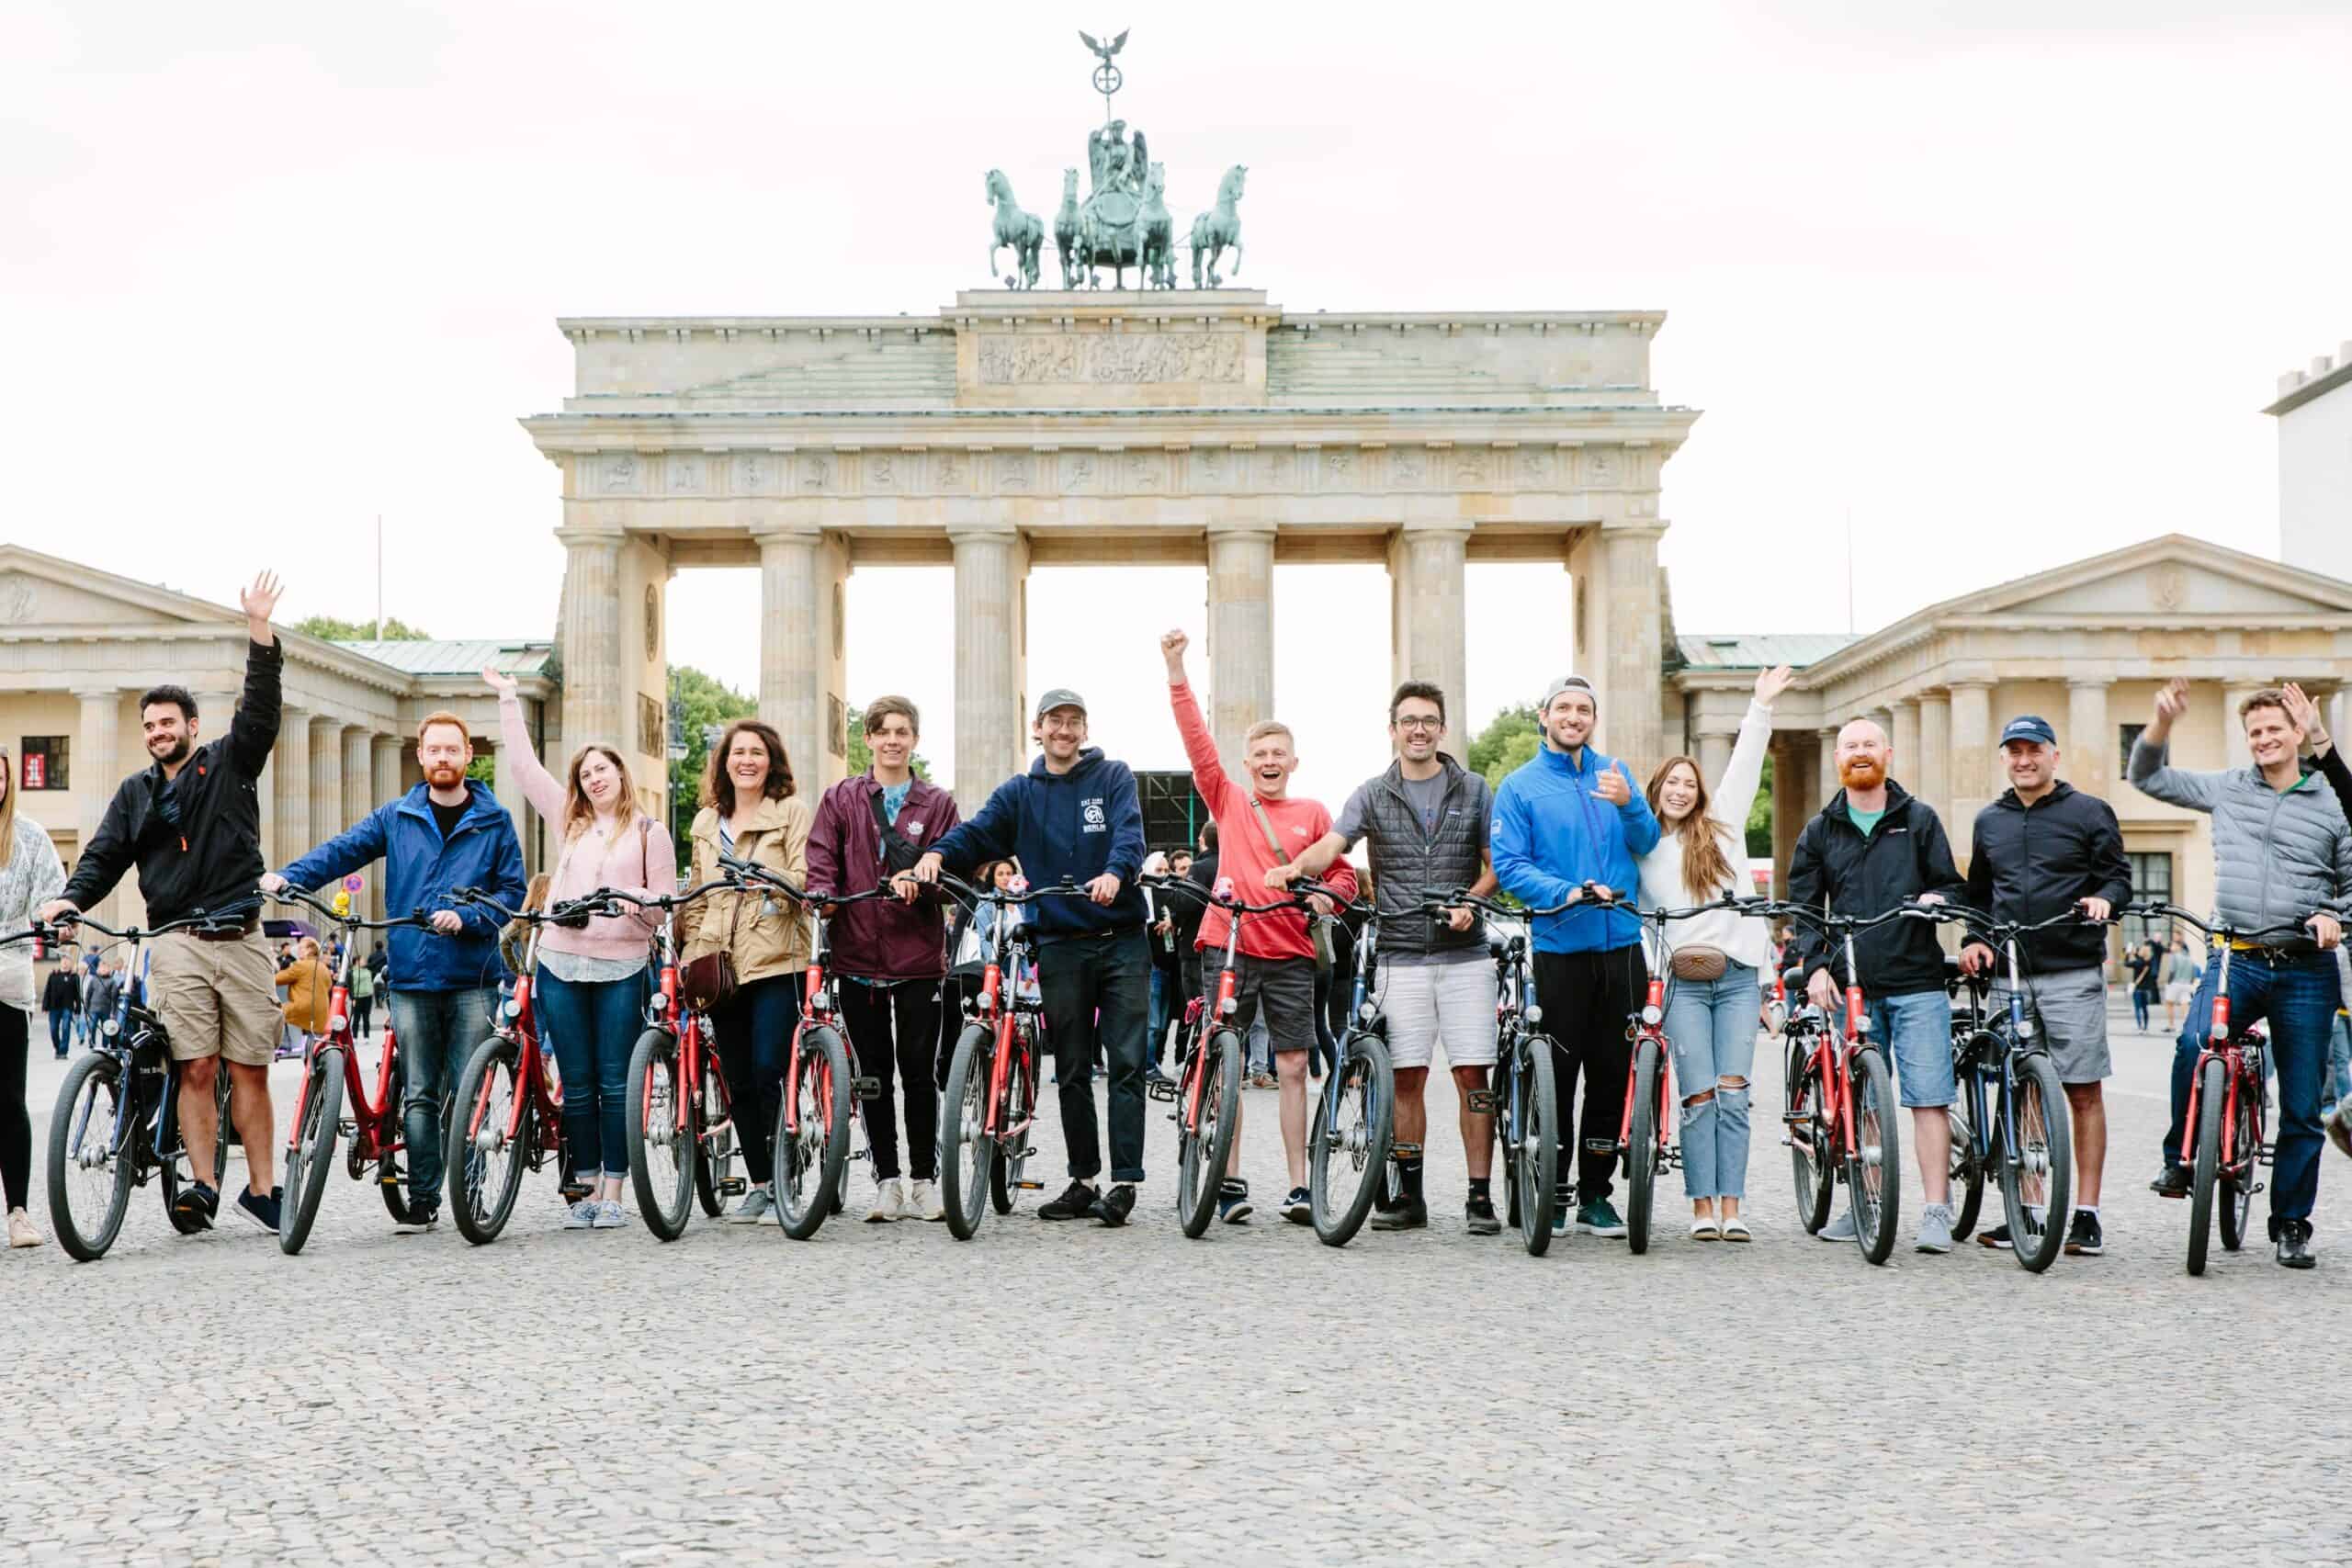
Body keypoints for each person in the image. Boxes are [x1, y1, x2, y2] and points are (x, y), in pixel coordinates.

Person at [42, 572, 288, 1234]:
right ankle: (203, 1185)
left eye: (167, 722)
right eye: (149, 725)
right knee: (197, 1065)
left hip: (240, 935)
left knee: (250, 1068)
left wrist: (259, 633)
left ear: (191, 726)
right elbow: (102, 855)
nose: (156, 732)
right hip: (176, 938)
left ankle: (263, 1188)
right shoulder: (136, 793)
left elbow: (261, 713)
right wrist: (69, 898)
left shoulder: (230, 764)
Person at [268, 698, 530, 1235]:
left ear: (468, 755)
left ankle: (472, 1191)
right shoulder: (397, 815)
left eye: (451, 749)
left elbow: (512, 892)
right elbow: (344, 850)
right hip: (412, 974)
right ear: (420, 755)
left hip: (472, 977)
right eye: (433, 749)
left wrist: (466, 916)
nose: (442, 757)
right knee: (419, 1091)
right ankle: (425, 1196)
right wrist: (290, 877)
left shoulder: (494, 820)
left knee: (467, 1089)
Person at [900, 685, 1150, 1227]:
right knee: (1074, 1068)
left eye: (1074, 722)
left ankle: (1125, 1181)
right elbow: (978, 833)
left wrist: (1114, 873)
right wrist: (937, 854)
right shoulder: (1020, 792)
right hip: (1058, 941)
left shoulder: (1113, 777)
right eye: (1054, 721)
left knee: (1127, 1063)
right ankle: (1083, 1178)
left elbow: (1129, 836)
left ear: (1085, 729)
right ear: (1036, 728)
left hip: (1121, 938)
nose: (1064, 730)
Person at [2130, 680, 2348, 1269]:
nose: (2265, 739)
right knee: (2194, 1042)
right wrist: (2160, 725)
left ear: (2297, 733)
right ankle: (2181, 1155)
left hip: (2306, 968)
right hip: (2236, 957)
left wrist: (2335, 916)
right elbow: (2147, 779)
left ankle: (2291, 1224)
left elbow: (2351, 882)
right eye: (2255, 732)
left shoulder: (2331, 799)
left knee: (2303, 1104)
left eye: (2275, 729)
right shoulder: (2228, 789)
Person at [1275, 679, 1500, 1234]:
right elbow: (1335, 843)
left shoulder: (1474, 789)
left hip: (1466, 954)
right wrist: (1297, 868)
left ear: (1442, 729)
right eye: (1409, 721)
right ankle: (1410, 1196)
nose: (1419, 729)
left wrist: (1471, 901)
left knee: (1474, 1075)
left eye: (1428, 720)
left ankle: (1479, 1196)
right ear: (1393, 729)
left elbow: (1497, 862)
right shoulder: (1373, 793)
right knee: (1407, 1079)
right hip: (1401, 953)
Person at [1160, 631, 1358, 1226]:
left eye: (1280, 754)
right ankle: (1229, 1176)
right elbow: (1197, 741)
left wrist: (1327, 900)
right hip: (1228, 942)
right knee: (1227, 1056)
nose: (1270, 762)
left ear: (1293, 761)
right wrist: (1176, 670)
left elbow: (1345, 877)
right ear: (1248, 765)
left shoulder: (1315, 814)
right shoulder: (1228, 799)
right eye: (1261, 755)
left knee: (1294, 1064)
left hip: (1291, 950)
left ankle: (1299, 1185)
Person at [1787, 715, 1968, 1253]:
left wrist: (1938, 902)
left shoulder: (1919, 820)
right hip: (1852, 986)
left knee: (1929, 1098)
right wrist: (1816, 966)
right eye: (1850, 746)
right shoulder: (1820, 830)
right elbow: (1804, 908)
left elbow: (1950, 886)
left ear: (1887, 753)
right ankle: (1864, 1204)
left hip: (1917, 981)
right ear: (1838, 759)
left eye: (1869, 744)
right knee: (1862, 1102)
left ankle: (1937, 1211)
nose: (1859, 753)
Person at [1490, 673, 1662, 1240]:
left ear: (1593, 718)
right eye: (1563, 707)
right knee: (1559, 1075)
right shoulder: (1519, 786)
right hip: (1560, 945)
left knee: (1614, 1074)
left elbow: (1648, 842)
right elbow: (1510, 864)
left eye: (1583, 709)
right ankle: (1554, 1192)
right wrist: (1561, 890)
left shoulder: (1615, 774)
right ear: (1544, 716)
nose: (1573, 717)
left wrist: (1631, 803)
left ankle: (1597, 1195)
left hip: (1621, 945)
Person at [1958, 714, 2133, 1258]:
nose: (2023, 760)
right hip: (2009, 974)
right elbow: (1979, 895)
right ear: (2005, 758)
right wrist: (1972, 936)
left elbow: (2118, 875)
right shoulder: (1989, 820)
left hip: (2072, 969)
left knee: (2082, 1091)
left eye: (2033, 750)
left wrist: (2107, 899)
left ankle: (2086, 1214)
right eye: (2013, 751)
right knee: (2021, 1091)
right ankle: (2029, 1210)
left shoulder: (2087, 812)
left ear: (2054, 755)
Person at [1634, 665, 1791, 1242]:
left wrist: (1761, 707)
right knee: (1697, 1093)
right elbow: (1640, 918)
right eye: (1670, 783)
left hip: (1736, 978)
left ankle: (1733, 1207)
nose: (1680, 790)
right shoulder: (1644, 848)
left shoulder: (1720, 827)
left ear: (1699, 793)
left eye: (1688, 784)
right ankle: (1701, 1207)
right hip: (1681, 982)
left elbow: (1747, 762)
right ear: (1657, 791)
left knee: (1734, 1092)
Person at [811, 695, 962, 1224]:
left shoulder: (937, 802)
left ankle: (925, 1180)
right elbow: (821, 859)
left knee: (918, 1073)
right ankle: (887, 1182)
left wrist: (926, 882)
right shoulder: (841, 798)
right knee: (872, 1074)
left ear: (915, 740)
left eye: (903, 731)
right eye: (884, 731)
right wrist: (823, 896)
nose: (893, 740)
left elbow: (955, 869)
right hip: (858, 953)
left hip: (918, 958)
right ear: (868, 738)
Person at [679, 718, 811, 1226]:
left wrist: (763, 879)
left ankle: (786, 1172)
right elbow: (695, 893)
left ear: (771, 761)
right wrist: (692, 951)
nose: (747, 761)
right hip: (719, 962)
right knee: (736, 1078)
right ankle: (760, 1183)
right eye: (738, 753)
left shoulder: (791, 813)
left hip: (776, 956)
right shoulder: (706, 824)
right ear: (725, 761)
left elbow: (803, 878)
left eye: (757, 753)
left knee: (767, 1069)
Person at [2, 749, 66, 1247]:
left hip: (8, 972)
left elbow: (51, 892)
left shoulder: (27, 836)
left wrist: (55, 918)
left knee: (9, 1099)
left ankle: (19, 1212)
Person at [273, 936, 333, 1055]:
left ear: (310, 950)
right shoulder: (323, 967)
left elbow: (277, 979)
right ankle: (311, 1057)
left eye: (301, 948)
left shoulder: (301, 966)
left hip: (303, 1008)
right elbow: (329, 986)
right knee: (314, 1037)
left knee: (276, 1012)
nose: (298, 950)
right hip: (322, 1011)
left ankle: (284, 1046)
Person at [41, 956, 80, 1060]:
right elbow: (47, 991)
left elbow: (77, 994)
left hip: (67, 1006)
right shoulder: (53, 975)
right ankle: (57, 1048)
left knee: (66, 1028)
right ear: (60, 963)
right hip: (54, 1006)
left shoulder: (74, 977)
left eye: (67, 961)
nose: (65, 963)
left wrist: (78, 1008)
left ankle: (63, 1051)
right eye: (63, 961)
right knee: (53, 1029)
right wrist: (45, 1006)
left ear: (70, 964)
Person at [2161, 937, 2199, 1035]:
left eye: (2173, 945)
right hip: (2187, 984)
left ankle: (2171, 1025)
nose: (2171, 947)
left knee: (2169, 1004)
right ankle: (2186, 1026)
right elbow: (2194, 973)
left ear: (2179, 946)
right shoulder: (2189, 958)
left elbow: (2172, 970)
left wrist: (2168, 982)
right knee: (2185, 1006)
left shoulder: (2174, 956)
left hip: (2175, 983)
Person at [346, 938, 377, 1040]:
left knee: (366, 1018)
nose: (364, 961)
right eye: (362, 960)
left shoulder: (368, 970)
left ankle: (366, 1036)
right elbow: (349, 986)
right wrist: (352, 998)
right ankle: (354, 1036)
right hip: (357, 997)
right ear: (357, 962)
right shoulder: (351, 972)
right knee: (356, 1018)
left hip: (367, 996)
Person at [2125, 940, 2159, 1033]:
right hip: (2146, 989)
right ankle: (2146, 1027)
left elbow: (2126, 964)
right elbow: (2142, 959)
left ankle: (2140, 1027)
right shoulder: (2149, 962)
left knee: (2137, 1008)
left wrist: (2128, 953)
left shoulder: (2137, 962)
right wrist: (2136, 954)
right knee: (2145, 1008)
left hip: (2138, 988)